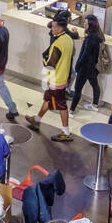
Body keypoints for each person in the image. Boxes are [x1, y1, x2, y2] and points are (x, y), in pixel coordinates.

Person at [25, 12, 74, 141]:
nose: (51, 29)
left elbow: (50, 64)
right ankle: (37, 120)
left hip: (55, 80)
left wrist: (44, 61)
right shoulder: (68, 39)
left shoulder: (58, 43)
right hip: (62, 78)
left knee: (61, 105)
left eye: (53, 26)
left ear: (60, 28)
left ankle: (66, 131)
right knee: (48, 99)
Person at [69, 14, 104, 113]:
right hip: (92, 67)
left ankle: (71, 110)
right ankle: (94, 104)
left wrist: (78, 65)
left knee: (78, 89)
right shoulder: (97, 37)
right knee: (95, 85)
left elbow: (85, 55)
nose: (84, 24)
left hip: (84, 68)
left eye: (85, 23)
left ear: (90, 25)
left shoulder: (89, 39)